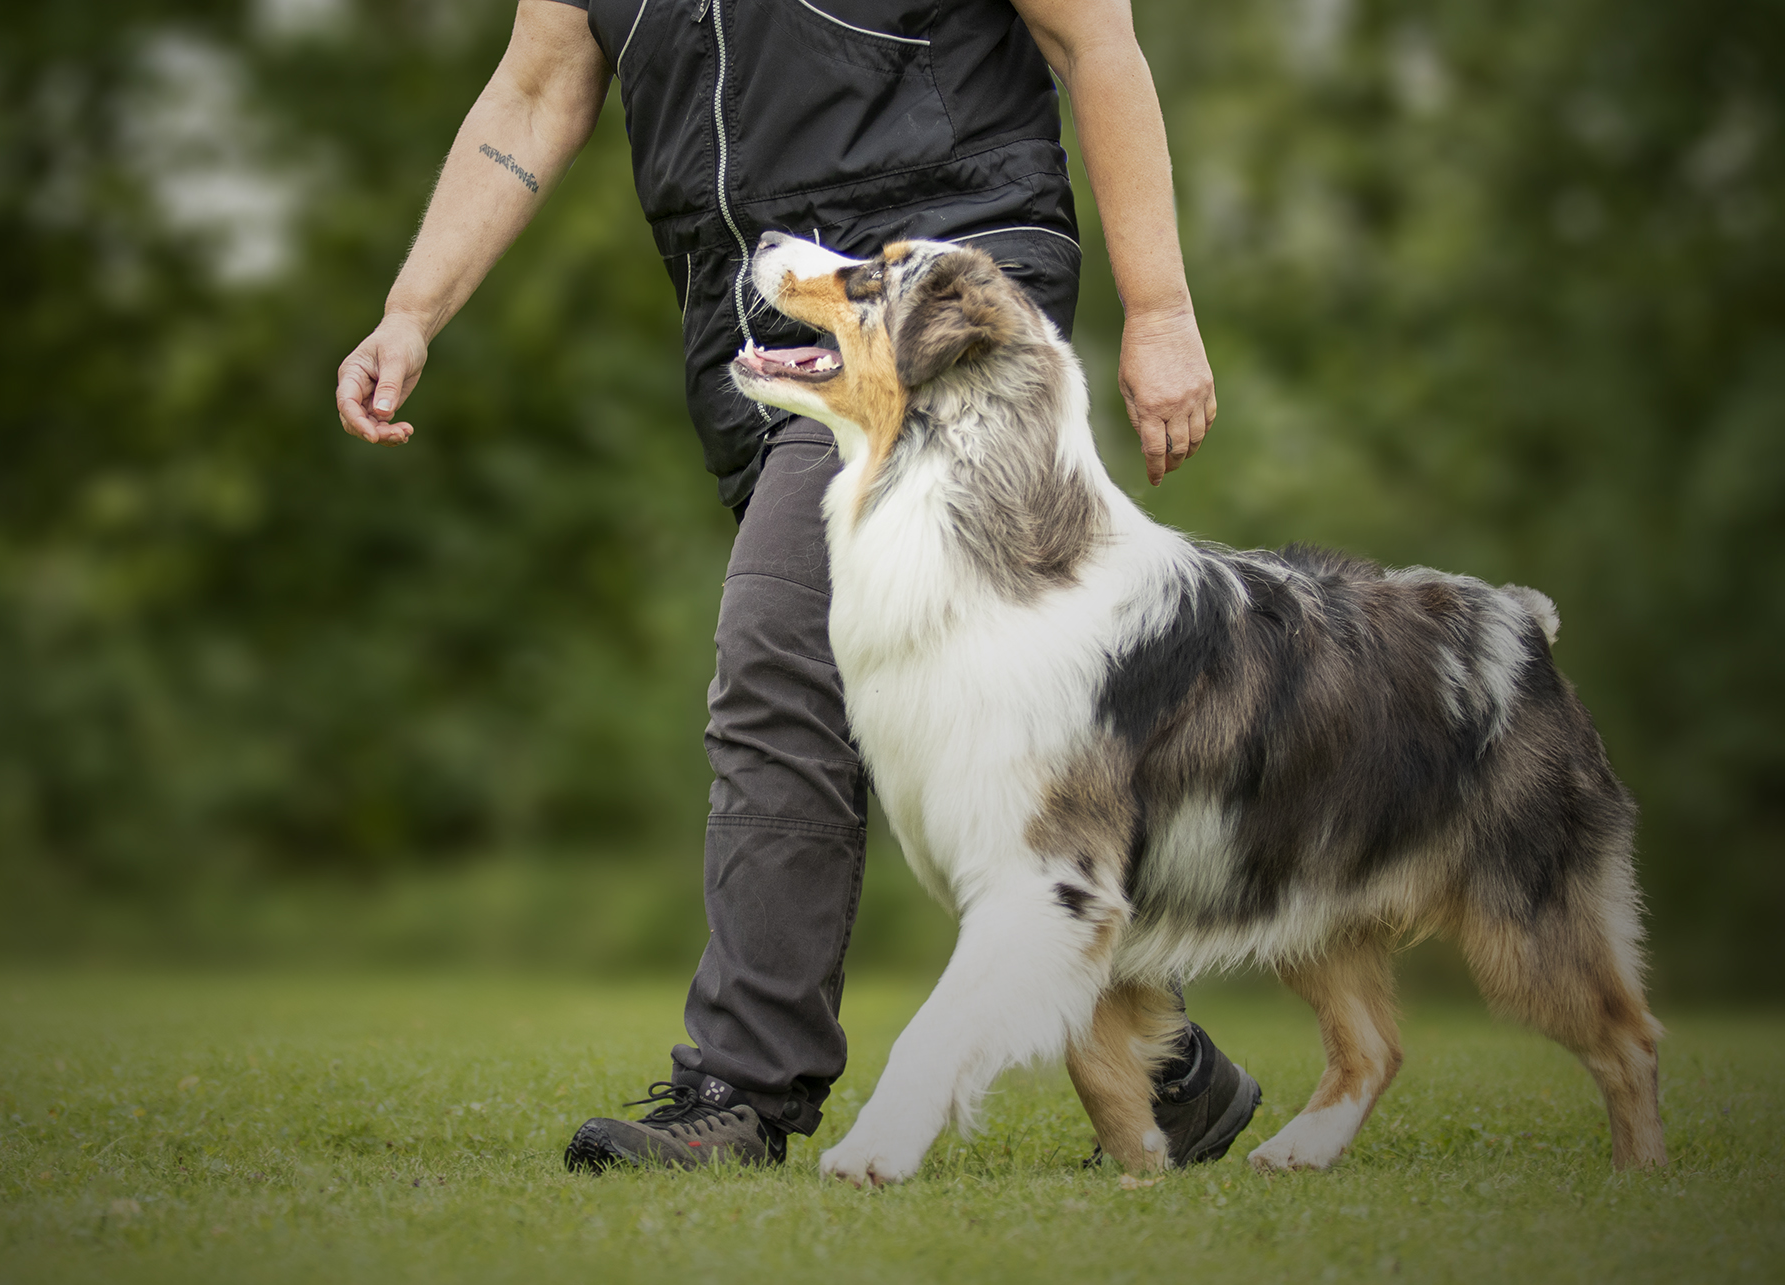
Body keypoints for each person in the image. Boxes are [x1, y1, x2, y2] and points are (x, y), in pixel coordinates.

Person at [335, 0, 1260, 1173]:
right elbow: (533, 88)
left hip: (933, 295)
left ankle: (741, 1084)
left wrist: (1161, 309)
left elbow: (1093, 39)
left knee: (778, 660)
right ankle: (1164, 1072)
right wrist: (410, 311)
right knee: (958, 713)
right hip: (765, 320)